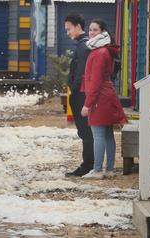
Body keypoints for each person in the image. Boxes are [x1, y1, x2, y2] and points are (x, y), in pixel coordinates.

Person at [80, 19, 127, 179]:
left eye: (95, 30)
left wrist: (87, 104)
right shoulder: (104, 49)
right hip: (107, 96)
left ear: (103, 32)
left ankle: (98, 170)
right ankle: (109, 169)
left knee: (98, 135)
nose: (91, 33)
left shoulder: (99, 52)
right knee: (107, 134)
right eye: (90, 30)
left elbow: (96, 81)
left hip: (100, 98)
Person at [64, 13, 94, 177]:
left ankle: (87, 166)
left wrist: (73, 91)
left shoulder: (83, 46)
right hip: (81, 93)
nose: (67, 32)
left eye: (69, 29)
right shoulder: (82, 45)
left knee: (85, 131)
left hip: (80, 94)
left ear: (78, 27)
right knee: (86, 131)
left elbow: (81, 73)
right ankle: (90, 164)